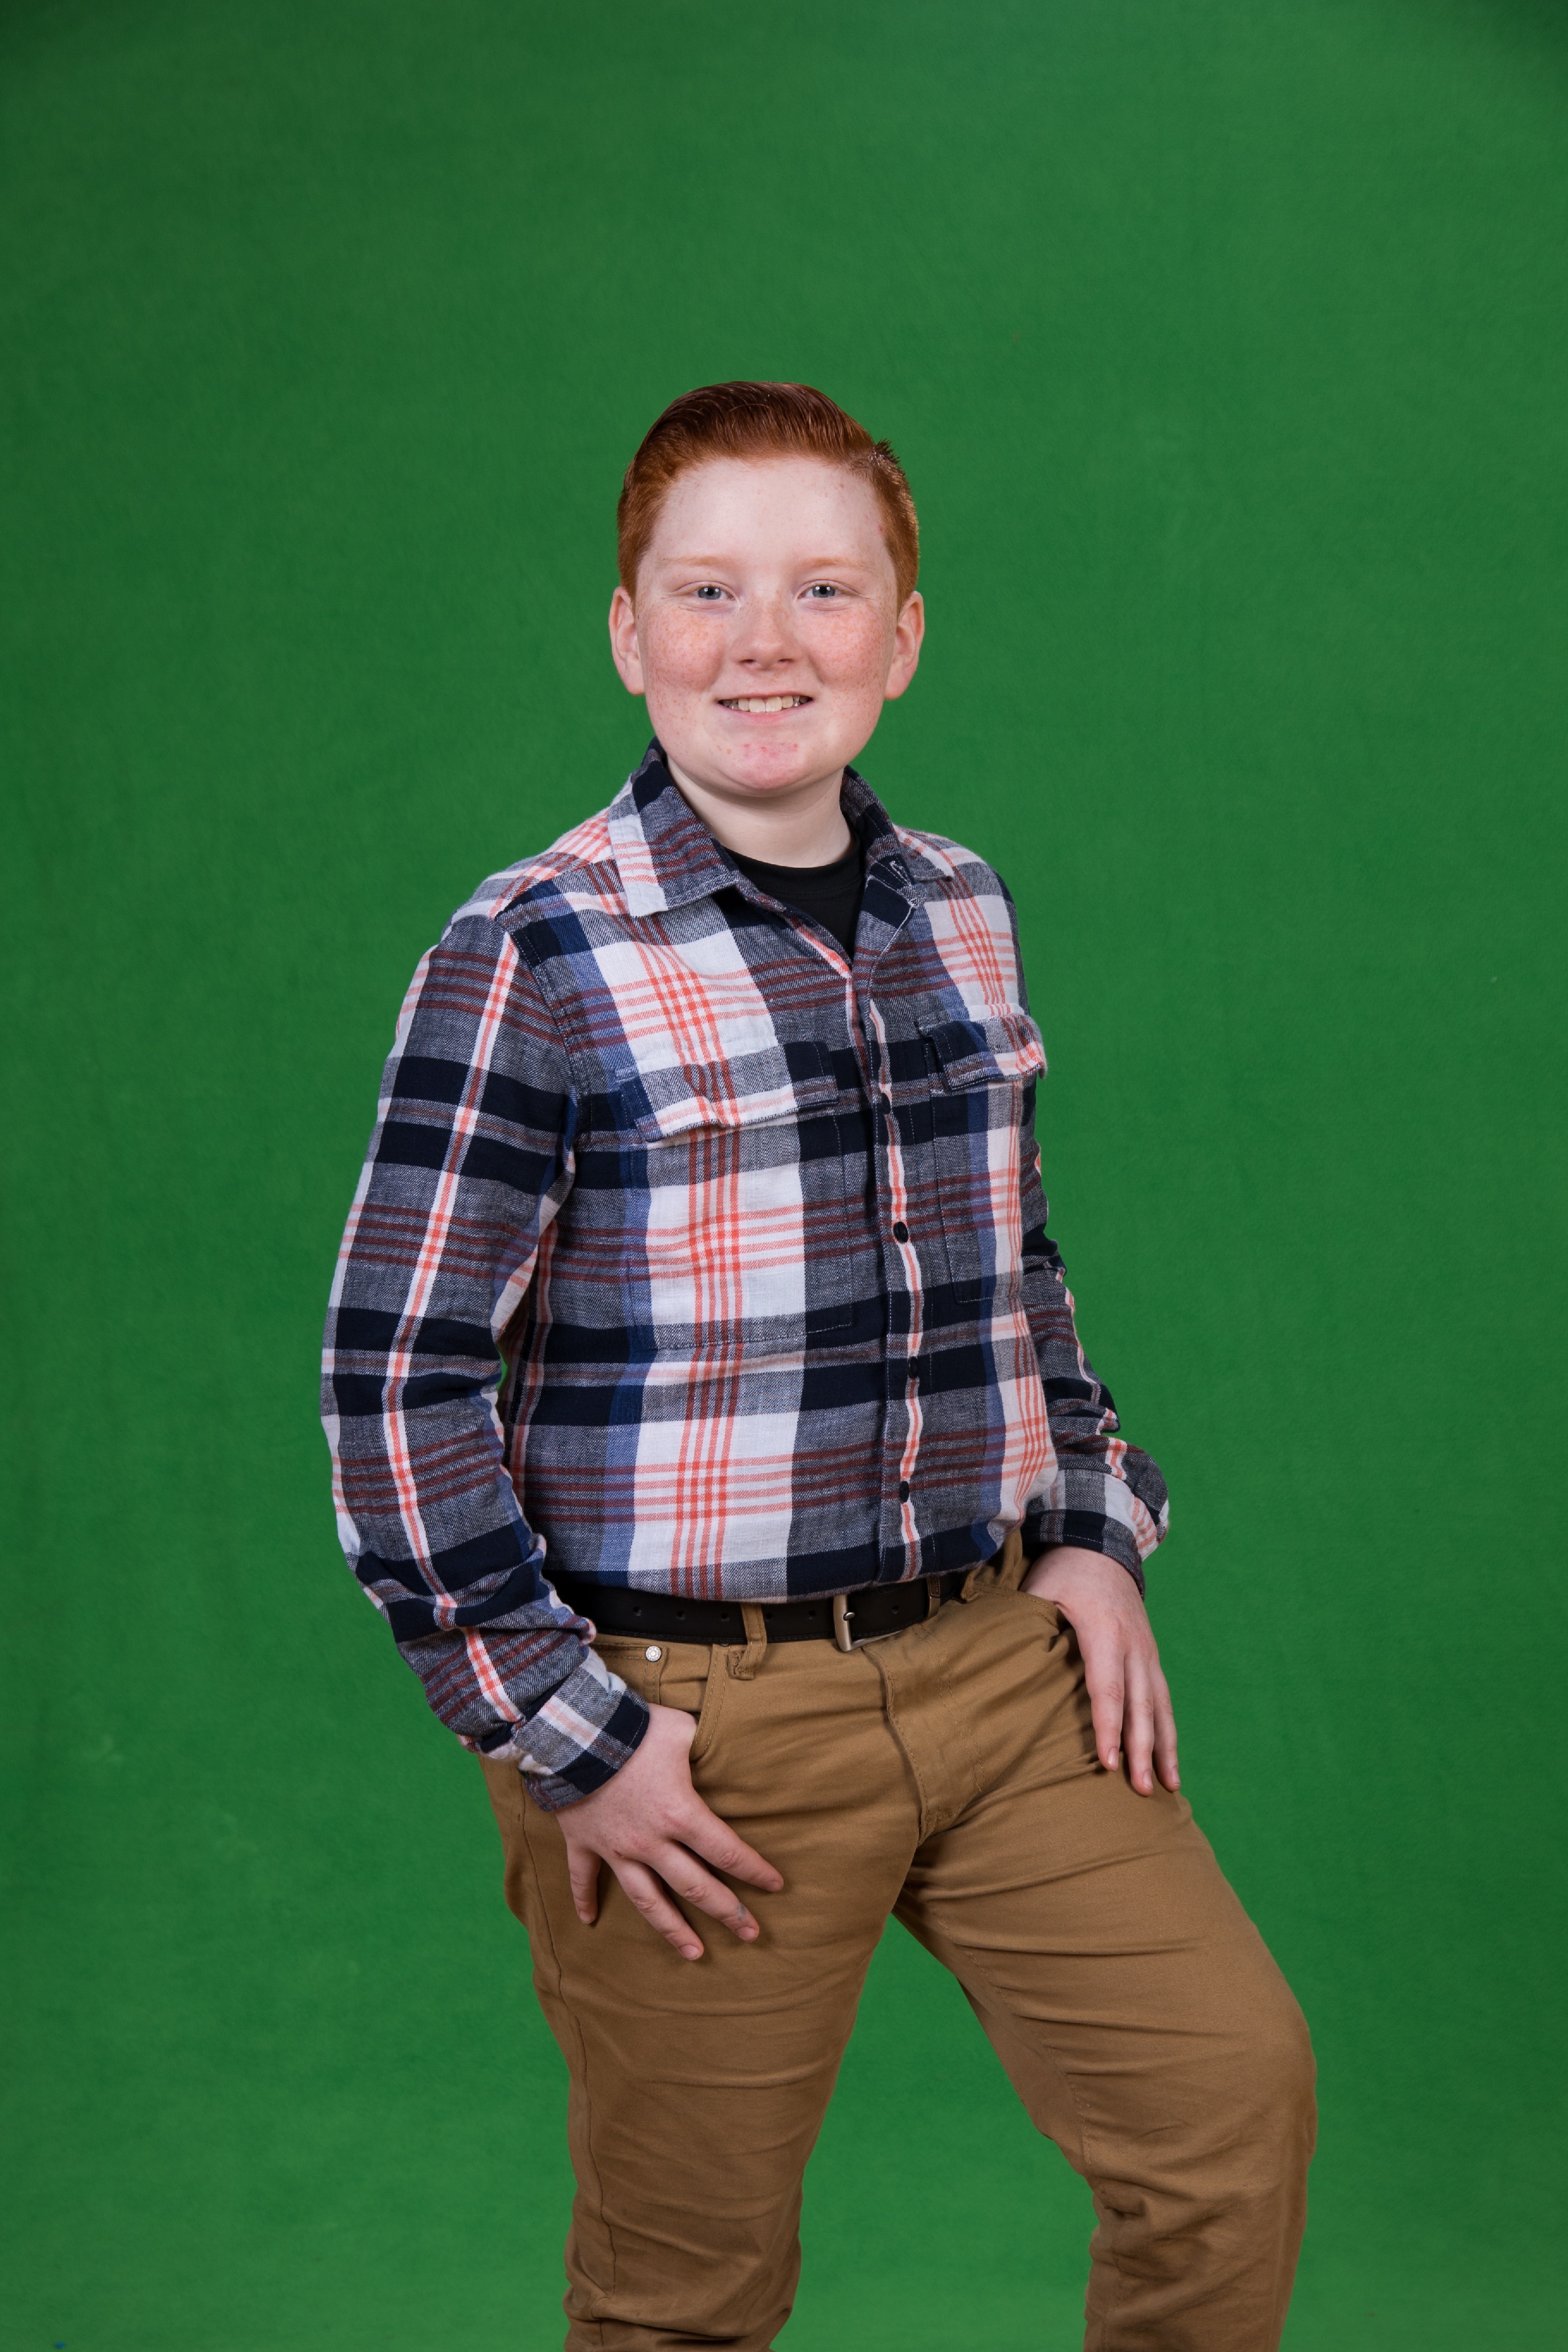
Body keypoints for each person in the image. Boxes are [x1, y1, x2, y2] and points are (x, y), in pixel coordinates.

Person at [322, 381, 1315, 2350]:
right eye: (707, 590)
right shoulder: (533, 953)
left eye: (824, 590)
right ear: (630, 633)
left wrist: (1091, 1525)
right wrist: (566, 1732)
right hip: (695, 1723)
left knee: (1228, 2114)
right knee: (687, 2293)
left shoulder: (963, 909)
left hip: (999, 1672)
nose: (763, 642)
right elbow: (396, 1376)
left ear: (901, 637)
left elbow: (1012, 1268)